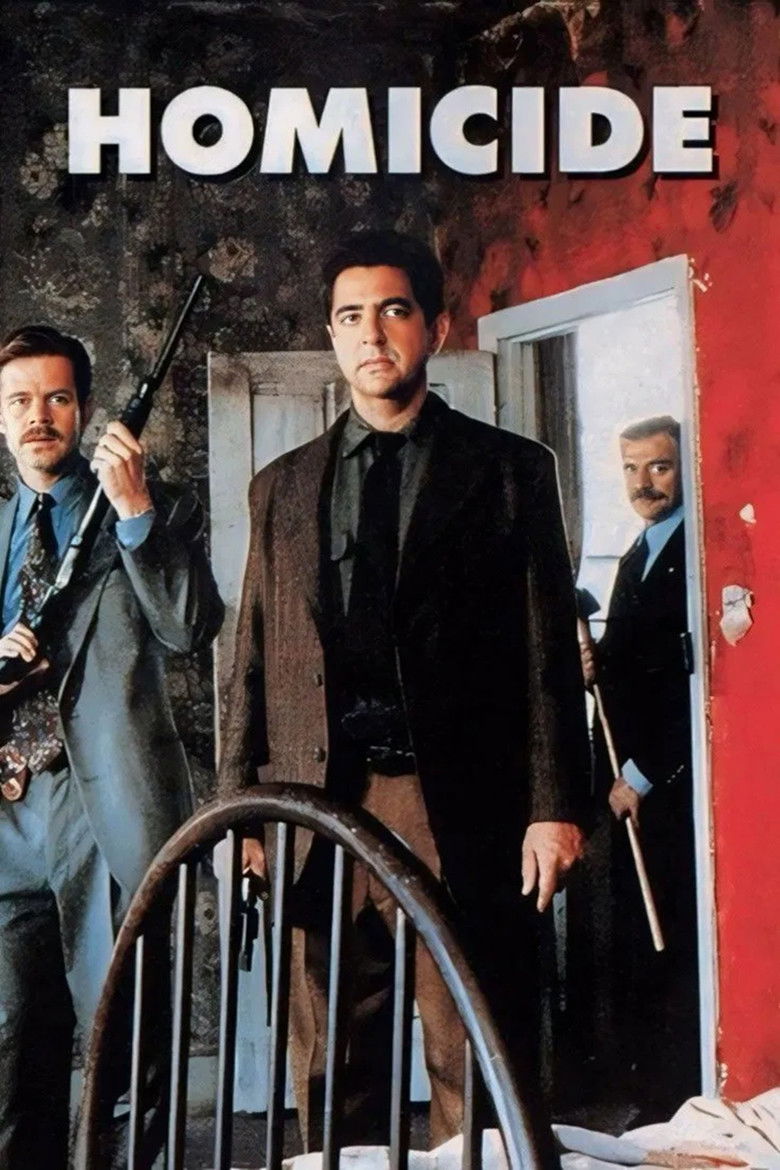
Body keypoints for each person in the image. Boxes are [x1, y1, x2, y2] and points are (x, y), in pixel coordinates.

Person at [219, 229, 590, 1154]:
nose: (372, 333)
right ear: (332, 335)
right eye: (351, 316)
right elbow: (250, 656)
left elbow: (548, 653)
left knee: (470, 1046)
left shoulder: (508, 472)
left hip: (455, 801)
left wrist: (553, 807)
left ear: (436, 327)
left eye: (393, 310)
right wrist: (241, 810)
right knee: (331, 1054)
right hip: (317, 803)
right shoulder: (280, 488)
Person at [0, 324, 224, 1168]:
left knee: (131, 1049)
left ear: (85, 408)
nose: (39, 416)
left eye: (57, 398)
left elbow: (189, 629)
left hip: (109, 813)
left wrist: (134, 512)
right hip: (8, 824)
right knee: (14, 1054)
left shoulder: (155, 507)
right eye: (20, 401)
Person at [585, 415, 699, 1120]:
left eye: (659, 467)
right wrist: (593, 659)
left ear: (685, 467)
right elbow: (633, 664)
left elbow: (695, 680)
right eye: (631, 469)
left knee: (674, 942)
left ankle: (677, 1100)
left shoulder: (698, 549)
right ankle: (651, 1098)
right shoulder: (637, 555)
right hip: (627, 785)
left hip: (671, 788)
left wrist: (645, 775)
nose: (643, 483)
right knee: (637, 943)